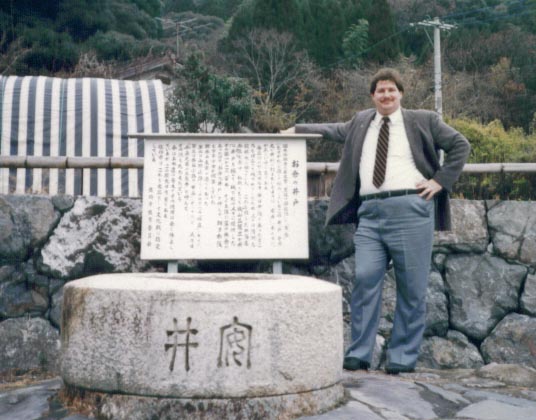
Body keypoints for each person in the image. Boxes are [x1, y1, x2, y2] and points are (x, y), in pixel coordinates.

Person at [283, 68, 470, 374]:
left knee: (412, 288)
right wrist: (295, 129)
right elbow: (330, 129)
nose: (386, 95)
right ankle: (359, 353)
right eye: (380, 90)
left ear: (401, 94)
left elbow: (460, 145)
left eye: (391, 90)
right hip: (369, 214)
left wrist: (440, 181)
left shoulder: (423, 120)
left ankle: (401, 358)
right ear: (372, 96)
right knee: (365, 278)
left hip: (410, 208)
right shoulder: (361, 122)